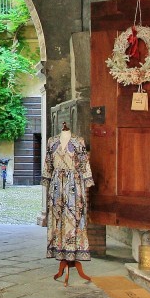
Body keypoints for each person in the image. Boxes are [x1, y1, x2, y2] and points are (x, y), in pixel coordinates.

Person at [42, 122, 94, 285]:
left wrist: (86, 183)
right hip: (57, 186)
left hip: (74, 186)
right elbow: (48, 165)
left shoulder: (79, 141)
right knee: (58, 220)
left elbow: (85, 164)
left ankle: (73, 252)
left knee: (74, 219)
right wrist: (48, 181)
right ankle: (60, 251)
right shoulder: (51, 141)